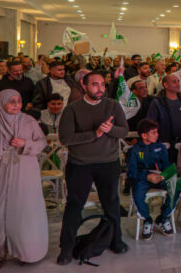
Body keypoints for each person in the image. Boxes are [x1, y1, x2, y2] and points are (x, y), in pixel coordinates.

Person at [57, 71, 129, 265]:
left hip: (108, 162)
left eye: (103, 85)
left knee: (111, 203)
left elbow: (124, 130)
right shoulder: (73, 109)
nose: (100, 89)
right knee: (74, 206)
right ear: (84, 85)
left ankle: (116, 239)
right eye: (95, 85)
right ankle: (67, 247)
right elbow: (66, 138)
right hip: (80, 165)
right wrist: (95, 133)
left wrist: (110, 130)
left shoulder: (112, 105)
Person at [0, 90, 48, 269]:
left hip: (25, 173)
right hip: (0, 173)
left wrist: (26, 144)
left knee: (25, 214)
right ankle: (0, 253)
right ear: (1, 103)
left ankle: (26, 252)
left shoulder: (29, 121)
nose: (16, 104)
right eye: (11, 101)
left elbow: (42, 142)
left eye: (18, 101)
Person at [126, 119, 174, 240]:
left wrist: (165, 174)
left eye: (157, 132)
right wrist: (147, 176)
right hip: (142, 179)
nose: (157, 134)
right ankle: (147, 219)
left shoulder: (161, 147)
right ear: (144, 135)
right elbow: (131, 172)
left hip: (160, 177)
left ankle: (163, 218)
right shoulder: (135, 150)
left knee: (175, 187)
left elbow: (167, 164)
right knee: (137, 195)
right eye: (153, 132)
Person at [148, 75, 181, 162]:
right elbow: (151, 123)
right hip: (165, 143)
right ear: (165, 85)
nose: (178, 84)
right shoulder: (157, 103)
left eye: (178, 81)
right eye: (174, 82)